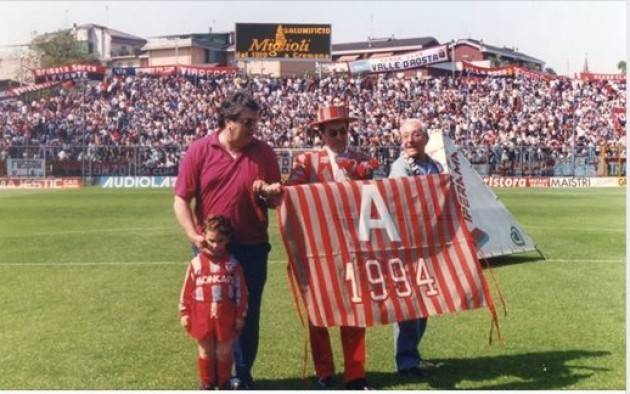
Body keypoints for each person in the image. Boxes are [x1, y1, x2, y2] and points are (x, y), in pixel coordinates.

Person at [173, 91, 282, 389]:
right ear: (227, 121)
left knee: (247, 313)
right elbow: (181, 200)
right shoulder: (199, 150)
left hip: (253, 247)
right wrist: (195, 236)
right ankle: (215, 377)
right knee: (213, 313)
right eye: (247, 122)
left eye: (255, 122)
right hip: (213, 251)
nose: (253, 128)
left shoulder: (265, 153)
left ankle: (241, 375)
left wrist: (271, 194)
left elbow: (276, 200)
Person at [287, 104, 379, 390]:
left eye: (344, 131)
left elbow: (375, 195)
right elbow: (293, 190)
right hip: (318, 248)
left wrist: (359, 174)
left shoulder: (363, 159)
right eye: (333, 132)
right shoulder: (306, 161)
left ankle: (355, 374)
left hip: (354, 247)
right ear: (321, 133)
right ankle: (324, 372)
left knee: (355, 311)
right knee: (319, 312)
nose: (340, 137)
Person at [388, 119, 443, 378]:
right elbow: (402, 203)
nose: (408, 140)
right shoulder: (400, 168)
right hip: (408, 246)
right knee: (409, 304)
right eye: (404, 136)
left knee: (426, 302)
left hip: (431, 245)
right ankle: (406, 361)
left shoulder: (435, 166)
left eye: (414, 135)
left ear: (426, 138)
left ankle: (413, 354)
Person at [179, 215, 247, 390]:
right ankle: (207, 383)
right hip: (201, 315)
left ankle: (223, 382)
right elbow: (187, 291)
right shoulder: (196, 264)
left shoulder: (233, 264)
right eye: (212, 240)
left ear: (228, 240)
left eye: (220, 240)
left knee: (224, 352)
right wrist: (185, 313)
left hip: (226, 315)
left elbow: (242, 292)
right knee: (206, 351)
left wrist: (240, 316)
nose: (216, 245)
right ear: (204, 238)